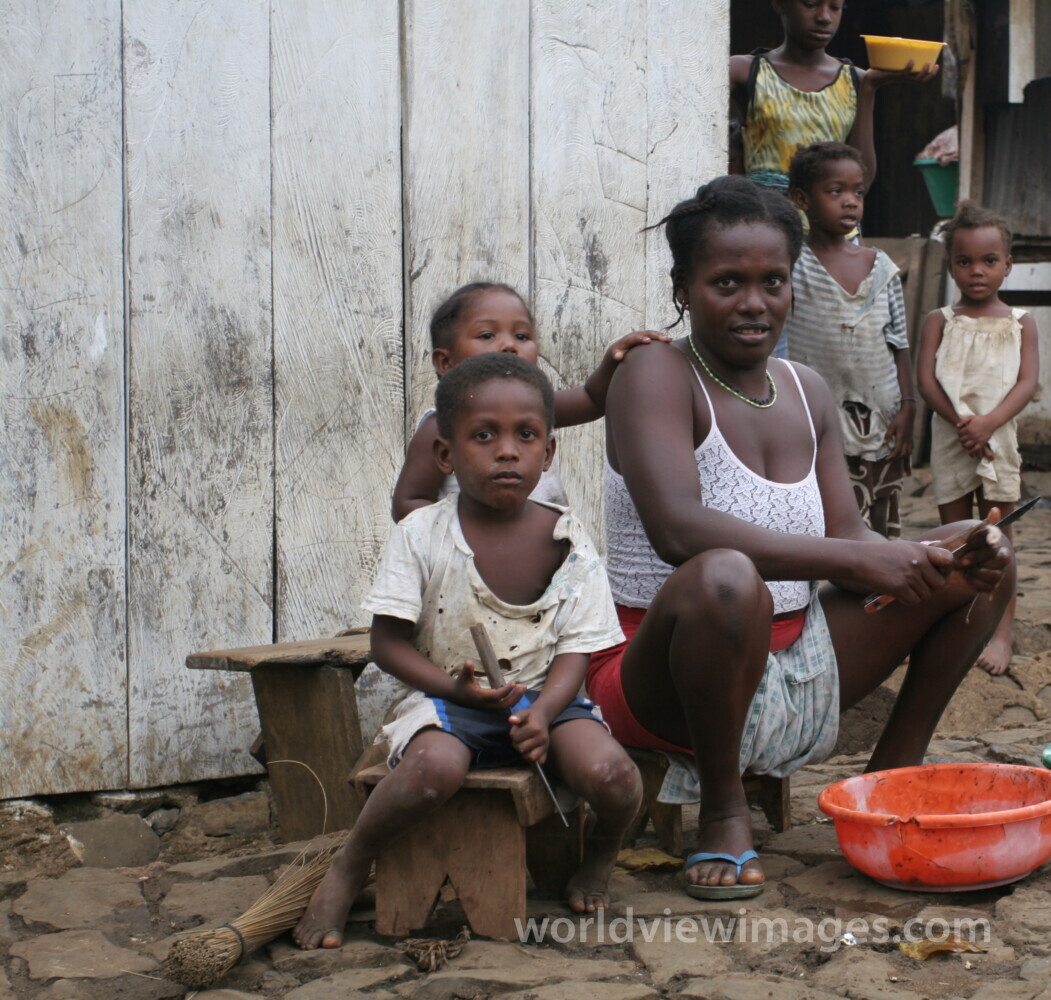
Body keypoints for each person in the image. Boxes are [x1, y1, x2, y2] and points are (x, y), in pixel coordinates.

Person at [588, 175, 1013, 901]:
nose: (754, 303)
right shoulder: (655, 373)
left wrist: (920, 558)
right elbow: (676, 529)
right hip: (660, 679)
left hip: (797, 664)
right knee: (724, 576)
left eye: (772, 282)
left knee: (980, 553)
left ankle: (889, 780)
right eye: (727, 282)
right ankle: (723, 813)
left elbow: (845, 532)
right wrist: (861, 558)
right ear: (683, 287)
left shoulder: (805, 387)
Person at [295, 353, 642, 949]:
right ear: (447, 455)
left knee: (612, 774)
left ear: (548, 453)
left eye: (525, 436)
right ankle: (351, 864)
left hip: (547, 701)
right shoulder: (422, 533)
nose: (507, 451)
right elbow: (387, 643)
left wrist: (543, 712)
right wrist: (452, 687)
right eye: (484, 436)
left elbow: (577, 651)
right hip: (453, 702)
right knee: (433, 770)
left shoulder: (567, 537)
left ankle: (601, 853)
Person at [391, 282, 665, 521]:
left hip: (546, 557)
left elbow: (591, 399)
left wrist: (615, 361)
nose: (510, 345)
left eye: (521, 336)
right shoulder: (442, 425)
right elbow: (408, 502)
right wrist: (461, 534)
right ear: (445, 362)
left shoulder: (536, 410)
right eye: (487, 335)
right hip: (471, 568)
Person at [916, 201, 1038, 677]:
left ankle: (1002, 633)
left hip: (998, 439)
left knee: (998, 537)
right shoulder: (939, 319)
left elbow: (1027, 383)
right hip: (951, 440)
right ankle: (957, 628)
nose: (977, 271)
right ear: (951, 266)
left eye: (989, 261)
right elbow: (926, 379)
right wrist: (961, 422)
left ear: (1008, 264)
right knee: (955, 540)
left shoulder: (1020, 322)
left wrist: (987, 424)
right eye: (964, 262)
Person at [782, 142, 914, 538]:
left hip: (882, 413)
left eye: (857, 192)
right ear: (802, 199)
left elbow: (900, 345)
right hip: (821, 417)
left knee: (880, 518)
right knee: (830, 520)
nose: (850, 202)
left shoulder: (881, 267)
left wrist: (908, 405)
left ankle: (878, 596)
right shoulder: (792, 265)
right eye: (835, 191)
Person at [729, 0, 937, 195]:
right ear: (779, 3)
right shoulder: (746, 72)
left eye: (835, 7)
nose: (824, 17)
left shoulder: (854, 80)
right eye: (811, 4)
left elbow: (861, 181)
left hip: (829, 230)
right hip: (767, 223)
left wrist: (869, 88)